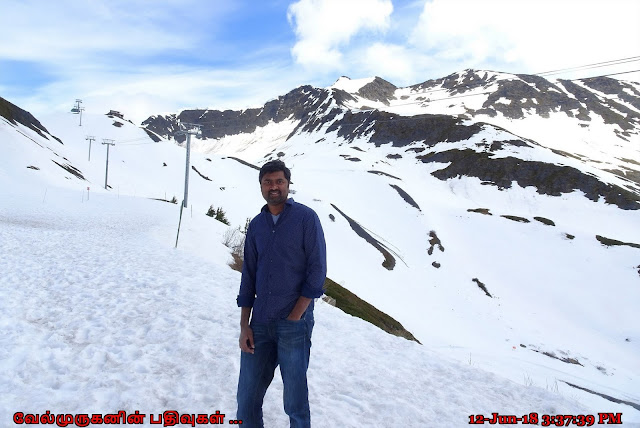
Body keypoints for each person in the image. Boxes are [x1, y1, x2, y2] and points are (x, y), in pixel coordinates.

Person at [236, 159, 327, 428]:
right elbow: (248, 276)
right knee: (247, 398)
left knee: (295, 401)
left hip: (293, 324)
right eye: (268, 182)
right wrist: (244, 326)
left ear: (288, 184)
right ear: (261, 186)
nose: (273, 187)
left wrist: (295, 316)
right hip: (260, 323)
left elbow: (317, 269)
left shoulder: (305, 218)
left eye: (279, 181)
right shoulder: (257, 225)